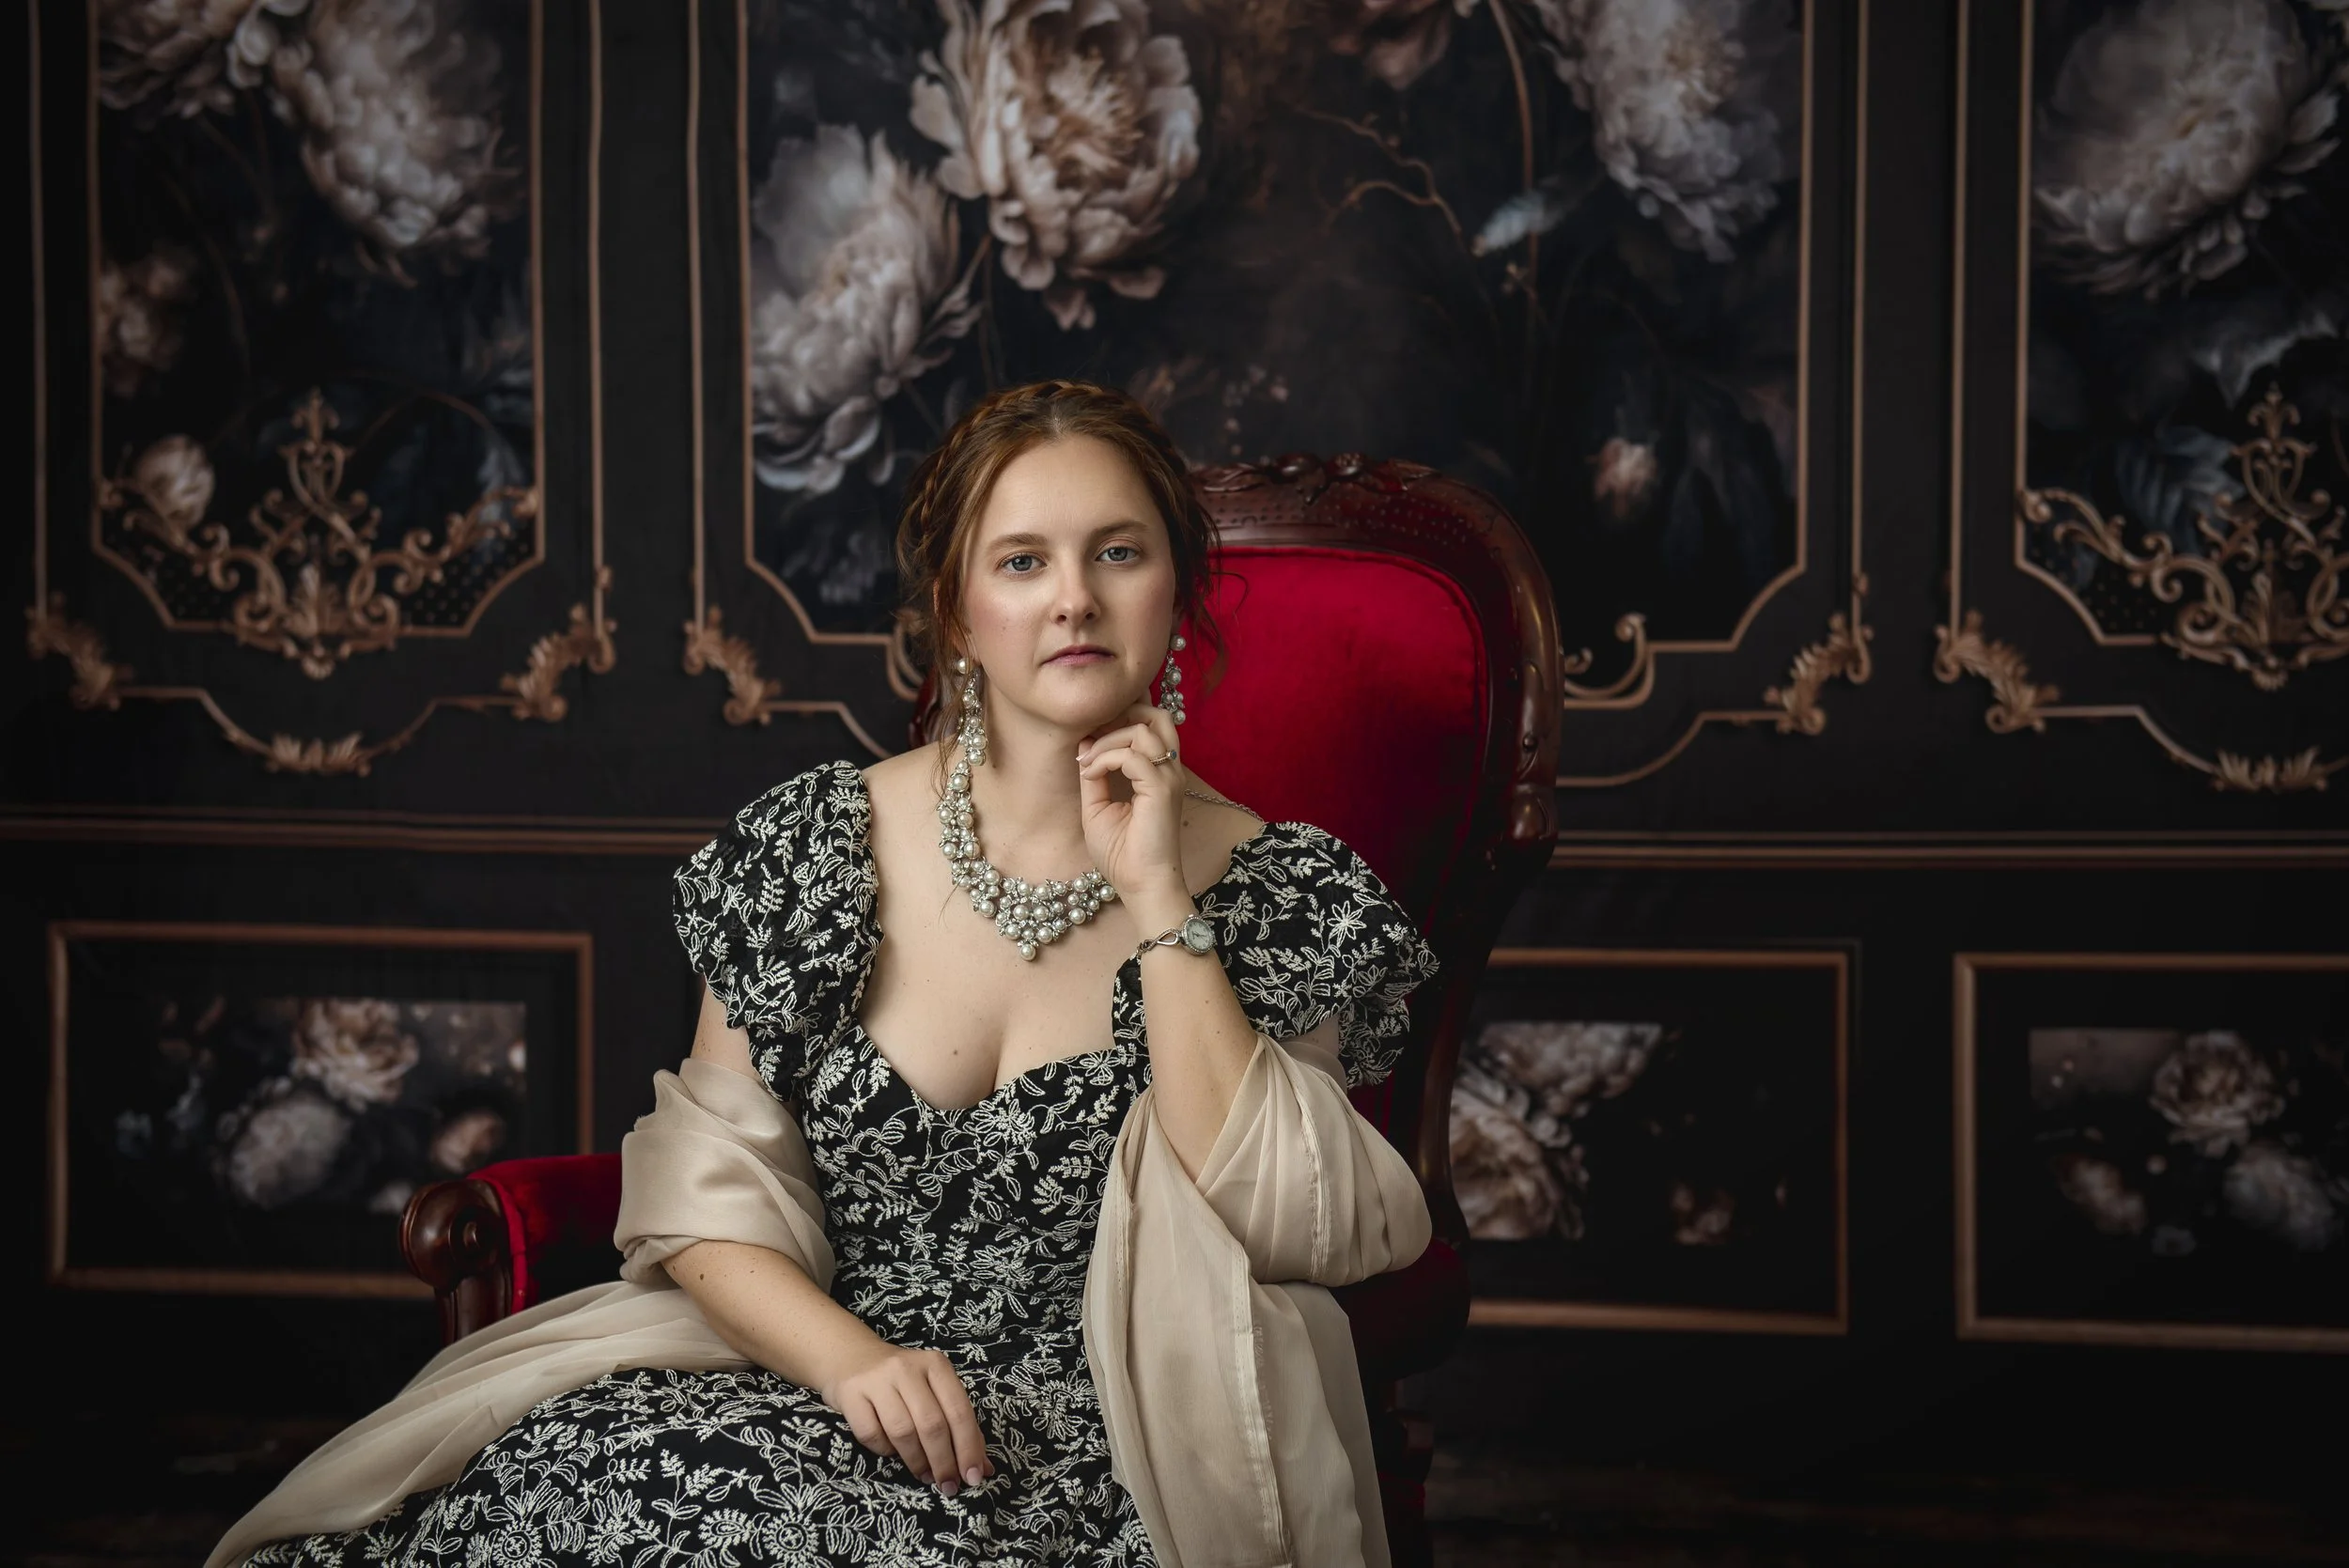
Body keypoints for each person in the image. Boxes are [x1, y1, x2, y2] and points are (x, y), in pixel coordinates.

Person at [225, 379, 1439, 1565]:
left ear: (1176, 589)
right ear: (959, 613)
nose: (1074, 599)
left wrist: (1162, 900)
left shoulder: (1272, 890)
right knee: (617, 1489)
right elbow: (703, 1216)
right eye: (1022, 562)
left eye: (1118, 554)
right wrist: (850, 1363)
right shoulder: (812, 850)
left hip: (1120, 1456)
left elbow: (1282, 1216)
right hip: (814, 1393)